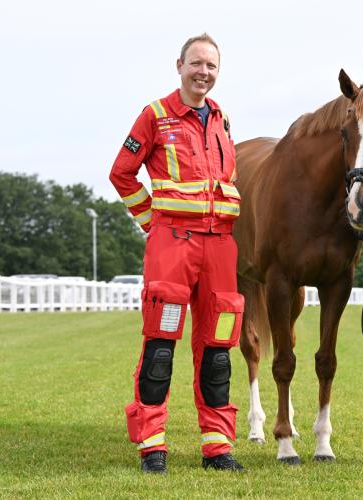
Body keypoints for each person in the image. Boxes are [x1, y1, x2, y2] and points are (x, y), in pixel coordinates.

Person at [109, 33, 245, 474]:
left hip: (220, 247)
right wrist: (152, 223)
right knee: (161, 347)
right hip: (173, 247)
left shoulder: (223, 119)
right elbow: (122, 174)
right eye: (197, 64)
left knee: (219, 349)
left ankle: (218, 447)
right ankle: (152, 446)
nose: (204, 72)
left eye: (212, 66)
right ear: (180, 65)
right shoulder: (155, 115)